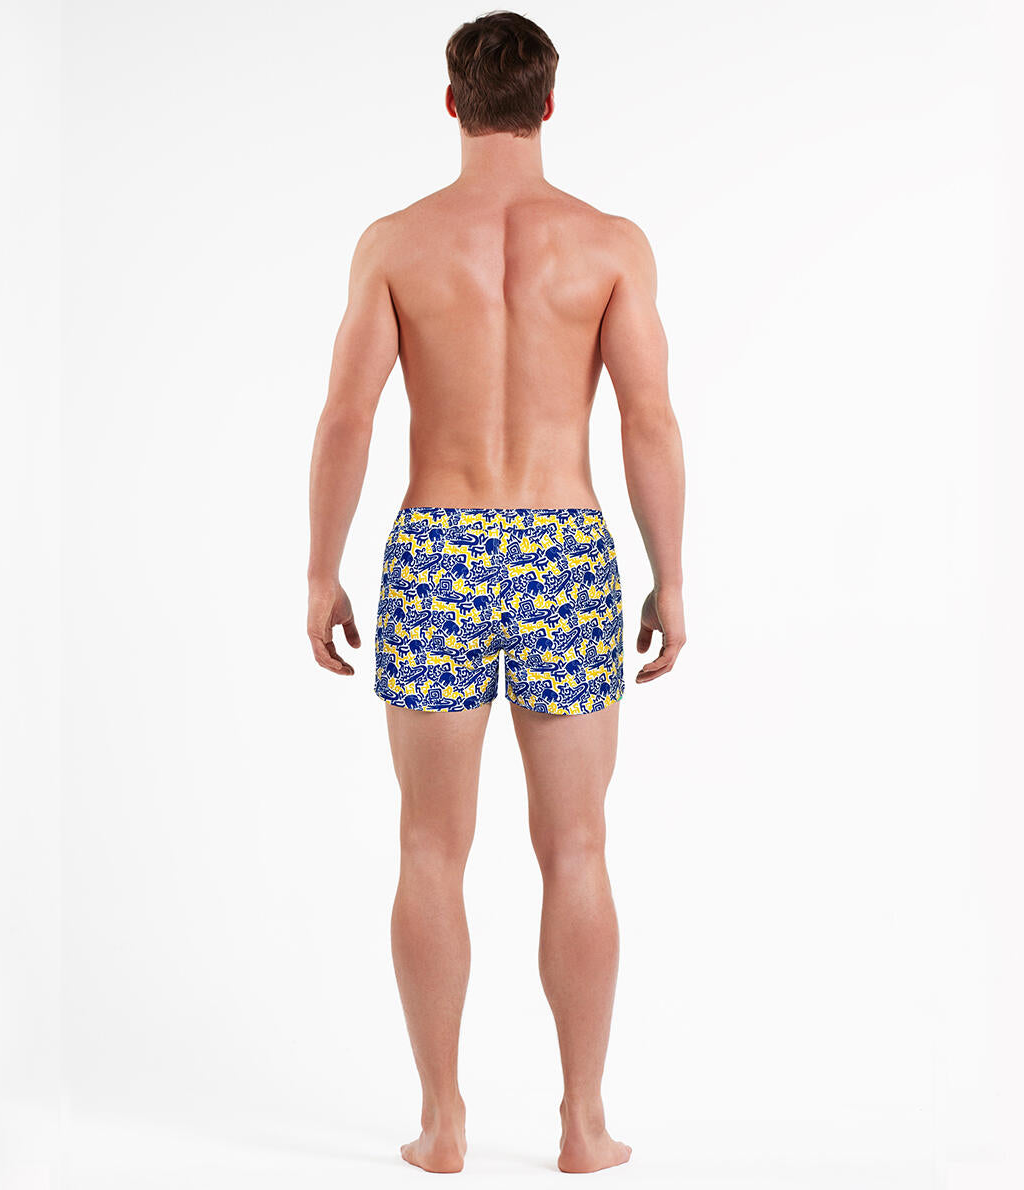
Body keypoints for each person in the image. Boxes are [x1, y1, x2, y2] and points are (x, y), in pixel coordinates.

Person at [307, 11, 685, 1175]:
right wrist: (670, 576)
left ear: (451, 103)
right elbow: (647, 420)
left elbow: (347, 417)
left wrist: (320, 568)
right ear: (549, 104)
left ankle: (442, 1122)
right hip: (566, 544)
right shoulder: (609, 245)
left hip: (438, 547)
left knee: (429, 843)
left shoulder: (396, 244)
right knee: (576, 844)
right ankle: (582, 1123)